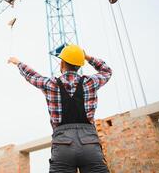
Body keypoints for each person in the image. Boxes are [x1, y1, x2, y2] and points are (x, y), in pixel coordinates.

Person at [7, 44, 112, 173]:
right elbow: (107, 71)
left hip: (63, 146)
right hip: (89, 144)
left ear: (62, 63)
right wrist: (87, 57)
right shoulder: (91, 82)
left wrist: (18, 63)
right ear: (80, 65)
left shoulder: (50, 84)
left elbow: (31, 75)